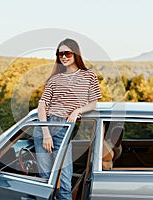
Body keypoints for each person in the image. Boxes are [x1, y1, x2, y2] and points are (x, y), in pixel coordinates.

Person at [34, 38, 102, 199]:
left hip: (65, 127)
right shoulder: (54, 79)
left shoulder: (89, 75)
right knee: (46, 181)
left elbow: (93, 104)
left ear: (76, 54)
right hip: (46, 126)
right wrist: (46, 133)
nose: (63, 57)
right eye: (60, 54)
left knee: (64, 182)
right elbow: (42, 105)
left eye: (67, 53)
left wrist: (77, 110)